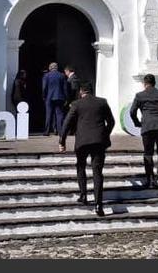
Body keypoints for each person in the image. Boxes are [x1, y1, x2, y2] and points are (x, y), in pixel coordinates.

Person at [58, 82, 115, 217]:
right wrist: (104, 133)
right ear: (92, 91)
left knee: (81, 166)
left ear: (81, 92)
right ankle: (98, 204)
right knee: (97, 172)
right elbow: (111, 122)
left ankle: (83, 195)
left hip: (82, 141)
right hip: (99, 142)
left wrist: (62, 141)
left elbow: (66, 123)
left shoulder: (77, 104)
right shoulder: (102, 102)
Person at [129, 73, 158, 189]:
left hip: (147, 127)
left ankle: (150, 179)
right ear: (154, 83)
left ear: (144, 84)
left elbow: (132, 111)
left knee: (148, 153)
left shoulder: (140, 95)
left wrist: (137, 123)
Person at [42, 62, 68, 136]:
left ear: (50, 68)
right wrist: (66, 98)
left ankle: (47, 132)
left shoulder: (46, 75)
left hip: (49, 98)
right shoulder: (62, 75)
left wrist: (44, 96)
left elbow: (44, 88)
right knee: (59, 115)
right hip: (59, 97)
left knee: (48, 114)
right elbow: (65, 88)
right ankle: (60, 132)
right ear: (57, 67)